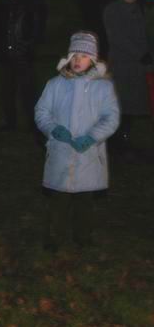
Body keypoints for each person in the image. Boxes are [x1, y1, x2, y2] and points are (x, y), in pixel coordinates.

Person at [35, 32, 120, 252]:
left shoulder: (103, 87)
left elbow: (111, 117)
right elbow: (42, 111)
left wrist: (93, 136)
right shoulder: (55, 84)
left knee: (85, 199)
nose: (77, 60)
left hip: (88, 153)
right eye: (74, 55)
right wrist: (53, 129)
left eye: (83, 56)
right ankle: (55, 236)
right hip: (61, 150)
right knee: (59, 198)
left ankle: (83, 236)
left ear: (92, 59)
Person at [0, 0, 47, 135]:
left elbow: (38, 23)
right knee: (6, 90)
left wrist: (29, 44)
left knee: (28, 91)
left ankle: (33, 123)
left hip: (24, 53)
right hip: (5, 54)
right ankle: (9, 121)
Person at [103, 0, 152, 153]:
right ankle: (113, 141)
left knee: (132, 105)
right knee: (120, 104)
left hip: (137, 66)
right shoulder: (112, 10)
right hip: (121, 64)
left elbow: (144, 35)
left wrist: (147, 55)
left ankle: (123, 137)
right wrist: (141, 54)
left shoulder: (140, 9)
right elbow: (117, 38)